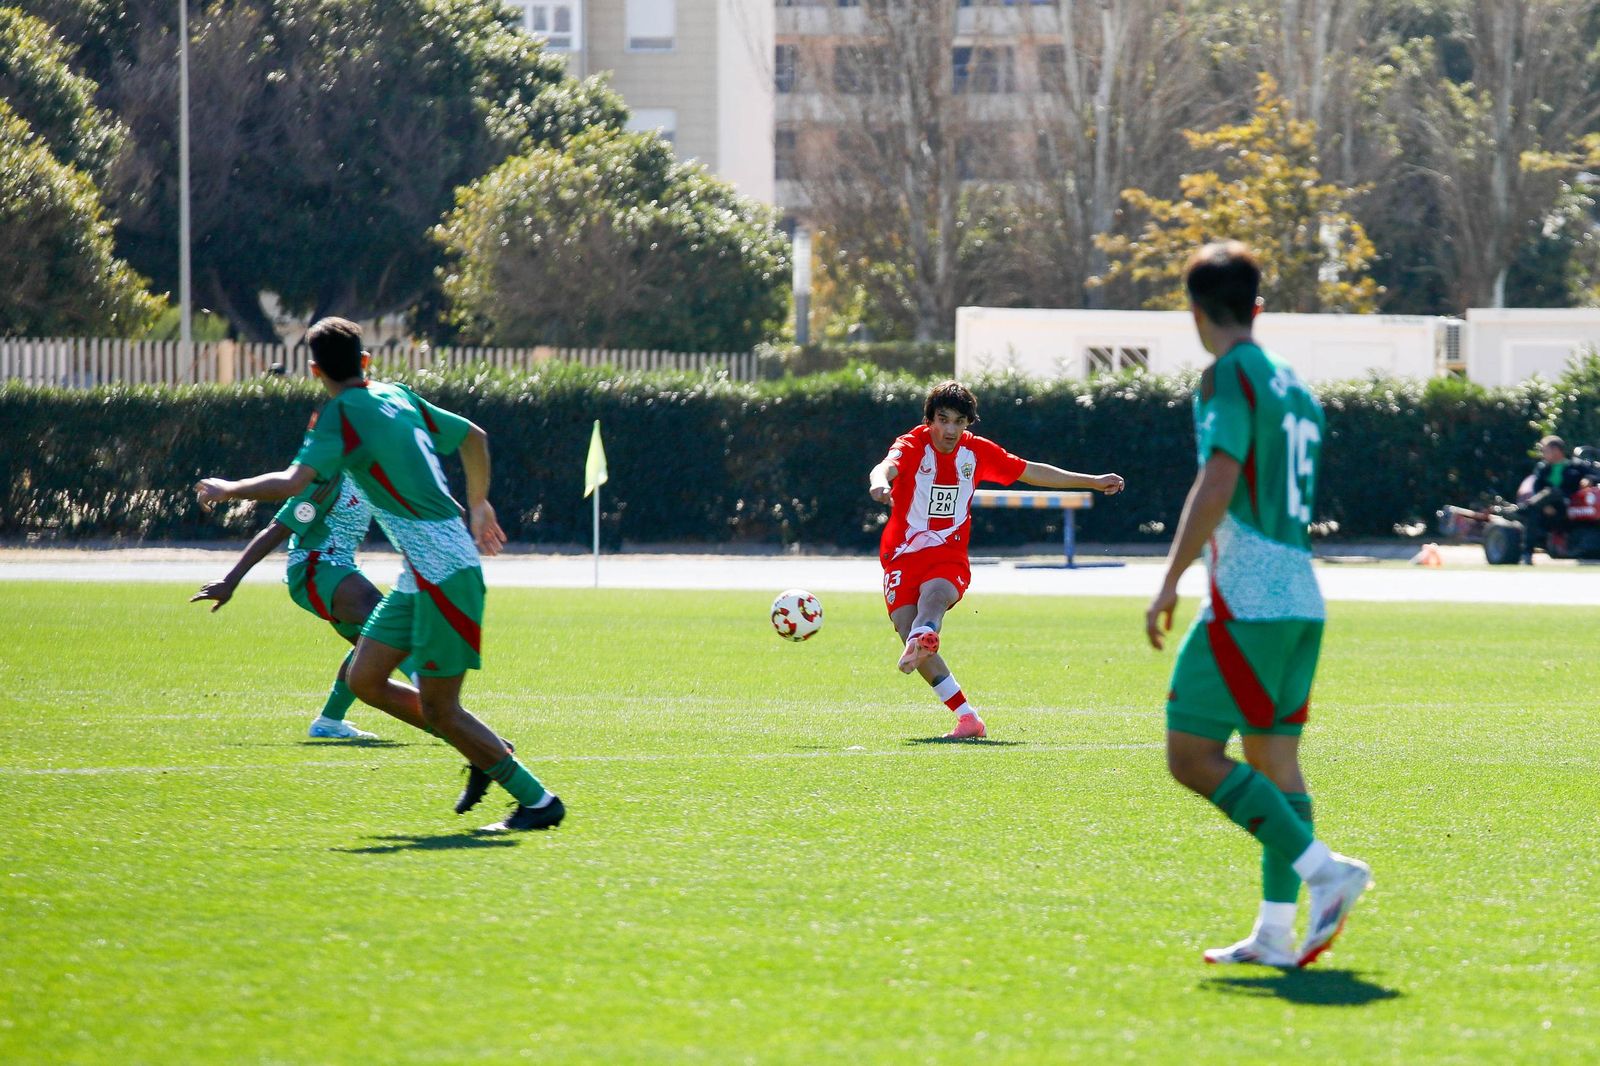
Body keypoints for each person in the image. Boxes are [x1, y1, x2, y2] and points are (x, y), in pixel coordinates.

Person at [196, 317, 561, 832]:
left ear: (314, 370)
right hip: (423, 572)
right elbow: (474, 437)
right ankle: (483, 752)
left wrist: (228, 488)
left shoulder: (340, 414)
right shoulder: (398, 394)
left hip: (444, 571)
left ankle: (537, 801)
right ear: (366, 361)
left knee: (441, 709)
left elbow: (292, 481)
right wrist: (478, 505)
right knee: (364, 679)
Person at [1145, 241, 1370, 968]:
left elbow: (1220, 478)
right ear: (1257, 307)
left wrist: (1171, 575)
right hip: (1302, 596)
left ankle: (1324, 871)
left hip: (1250, 599)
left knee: (1190, 755)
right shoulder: (1292, 383)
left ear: (1193, 311)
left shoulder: (1226, 376)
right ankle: (1276, 932)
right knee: (1274, 763)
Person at [869, 380, 1124, 739]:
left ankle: (926, 632)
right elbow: (885, 466)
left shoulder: (976, 453)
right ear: (929, 421)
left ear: (968, 425)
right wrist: (879, 484)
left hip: (947, 553)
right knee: (906, 629)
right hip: (901, 556)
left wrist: (1093, 481)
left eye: (959, 422)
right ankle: (967, 717)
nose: (950, 429)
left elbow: (1032, 471)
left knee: (934, 598)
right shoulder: (913, 444)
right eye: (943, 420)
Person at [191, 471, 395, 740]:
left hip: (339, 570)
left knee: (371, 645)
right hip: (315, 569)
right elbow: (278, 529)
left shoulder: (372, 477)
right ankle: (442, 713)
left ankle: (329, 723)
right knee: (392, 631)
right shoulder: (328, 481)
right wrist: (230, 581)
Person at [1516, 435, 1594, 564]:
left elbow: (1594, 475)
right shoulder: (1542, 468)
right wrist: (1545, 506)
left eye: (1545, 451)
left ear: (1556, 450)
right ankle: (1527, 554)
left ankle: (1523, 508)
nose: (1543, 454)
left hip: (1568, 505)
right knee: (1533, 514)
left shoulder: (1576, 466)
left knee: (1553, 491)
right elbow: (1536, 489)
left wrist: (1589, 479)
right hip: (1545, 508)